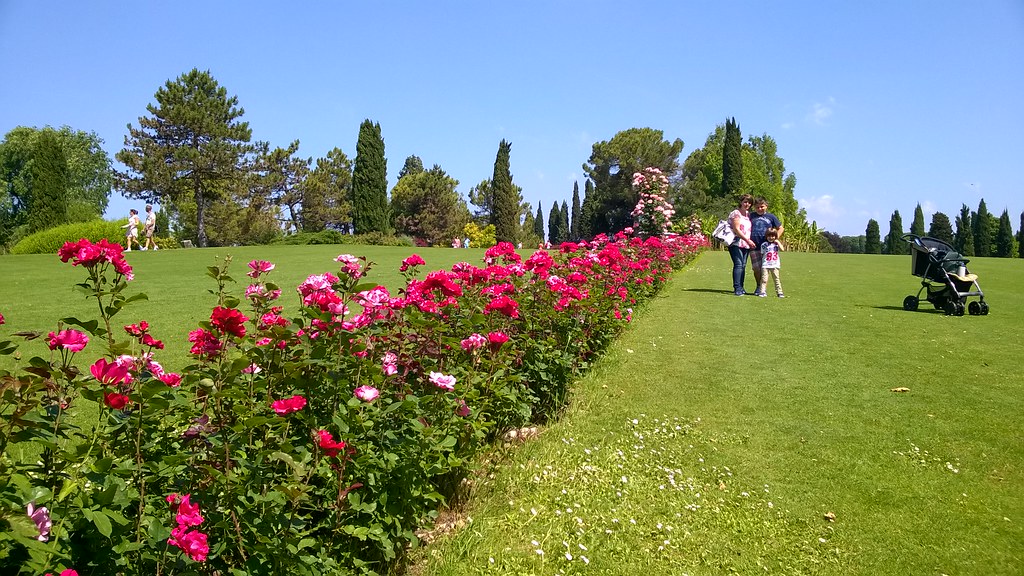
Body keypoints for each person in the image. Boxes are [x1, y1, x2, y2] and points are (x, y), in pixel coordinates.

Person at [749, 198, 784, 296]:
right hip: (754, 246)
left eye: (762, 207)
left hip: (768, 248)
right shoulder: (751, 216)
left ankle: (763, 289)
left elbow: (780, 228)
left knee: (767, 269)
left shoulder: (771, 217)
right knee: (756, 268)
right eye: (757, 207)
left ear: (766, 206)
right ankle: (759, 286)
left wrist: (775, 239)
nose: (760, 209)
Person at [727, 194, 756, 295]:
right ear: (741, 202)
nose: (747, 204)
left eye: (749, 202)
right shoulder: (736, 213)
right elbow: (736, 229)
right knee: (738, 264)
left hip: (745, 244)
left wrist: (748, 241)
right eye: (745, 202)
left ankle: (741, 287)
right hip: (736, 242)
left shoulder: (748, 215)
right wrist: (748, 240)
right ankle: (737, 288)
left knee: (743, 265)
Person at [755, 227, 784, 298]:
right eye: (769, 236)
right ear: (766, 236)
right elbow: (762, 254)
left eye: (773, 236)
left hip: (775, 264)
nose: (771, 238)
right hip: (766, 264)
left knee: (776, 279)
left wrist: (778, 242)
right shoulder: (764, 244)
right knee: (764, 279)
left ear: (775, 236)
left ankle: (779, 292)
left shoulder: (776, 244)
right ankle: (762, 291)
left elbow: (782, 249)